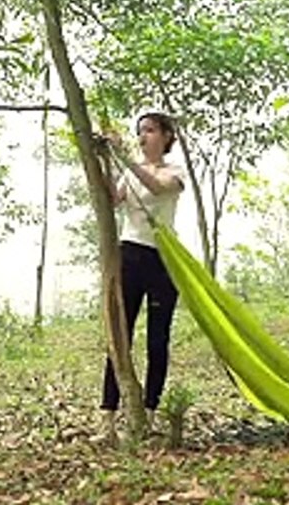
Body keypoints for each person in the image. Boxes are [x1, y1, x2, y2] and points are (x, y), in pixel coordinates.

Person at [98, 111, 186, 442]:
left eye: (150, 130)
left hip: (162, 261)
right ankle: (108, 417)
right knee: (120, 335)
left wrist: (124, 158)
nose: (143, 136)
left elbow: (158, 188)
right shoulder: (130, 173)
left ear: (166, 136)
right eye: (140, 131)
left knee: (157, 340)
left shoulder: (174, 172)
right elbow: (112, 199)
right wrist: (105, 160)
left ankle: (148, 413)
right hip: (129, 255)